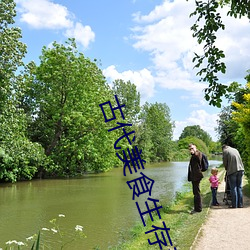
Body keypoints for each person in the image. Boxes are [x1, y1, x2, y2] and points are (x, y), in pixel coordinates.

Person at [188, 143, 204, 214]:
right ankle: (197, 208)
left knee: (196, 192)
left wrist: (194, 152)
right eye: (190, 149)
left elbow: (198, 158)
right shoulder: (194, 155)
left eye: (192, 148)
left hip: (196, 176)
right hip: (195, 176)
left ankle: (198, 209)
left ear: (195, 148)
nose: (191, 150)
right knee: (196, 192)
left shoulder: (197, 154)